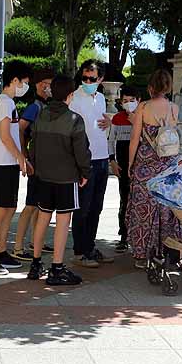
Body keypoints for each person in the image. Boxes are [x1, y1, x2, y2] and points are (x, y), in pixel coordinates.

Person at [26, 74, 89, 285]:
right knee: (63, 222)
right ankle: (57, 268)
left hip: (43, 176)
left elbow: (32, 145)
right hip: (66, 177)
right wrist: (85, 172)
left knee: (43, 217)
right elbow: (81, 151)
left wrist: (34, 164)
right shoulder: (74, 120)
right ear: (70, 95)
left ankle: (35, 264)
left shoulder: (41, 115)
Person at [0, 59, 33, 276]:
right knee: (0, 209)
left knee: (9, 208)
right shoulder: (4, 103)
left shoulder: (9, 103)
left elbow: (11, 136)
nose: (25, 87)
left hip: (8, 163)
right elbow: (4, 136)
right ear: (15, 80)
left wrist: (20, 159)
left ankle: (1, 252)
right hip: (1, 164)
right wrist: (21, 157)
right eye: (25, 82)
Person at [126, 69, 182, 269]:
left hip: (145, 164)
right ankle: (166, 249)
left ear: (150, 87)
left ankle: (142, 254)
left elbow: (134, 139)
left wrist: (130, 164)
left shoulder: (143, 107)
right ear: (168, 87)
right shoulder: (174, 108)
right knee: (166, 207)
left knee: (144, 208)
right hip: (168, 164)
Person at [70, 60, 114, 268]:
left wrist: (109, 123)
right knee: (83, 208)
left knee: (96, 206)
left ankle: (90, 246)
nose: (87, 81)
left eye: (92, 79)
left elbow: (101, 124)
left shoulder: (101, 98)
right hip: (84, 160)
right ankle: (80, 251)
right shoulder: (75, 98)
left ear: (100, 79)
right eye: (85, 78)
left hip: (101, 157)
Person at [11, 69, 55, 260]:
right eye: (45, 82)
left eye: (51, 83)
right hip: (35, 163)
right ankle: (18, 247)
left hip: (46, 163)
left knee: (41, 206)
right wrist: (24, 156)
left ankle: (36, 241)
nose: (49, 87)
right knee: (30, 205)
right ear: (38, 84)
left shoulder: (49, 105)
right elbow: (20, 129)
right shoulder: (34, 107)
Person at [110, 85, 141, 253]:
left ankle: (138, 237)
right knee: (125, 200)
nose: (128, 104)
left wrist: (136, 123)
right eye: (125, 101)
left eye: (132, 101)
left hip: (141, 166)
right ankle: (123, 235)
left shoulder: (143, 118)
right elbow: (111, 140)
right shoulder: (117, 119)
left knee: (139, 202)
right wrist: (112, 161)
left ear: (139, 101)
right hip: (122, 166)